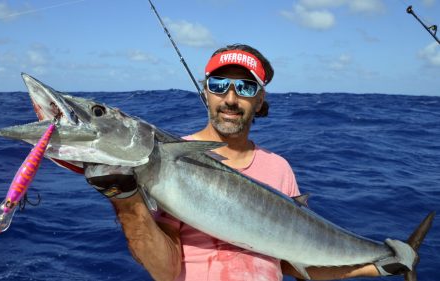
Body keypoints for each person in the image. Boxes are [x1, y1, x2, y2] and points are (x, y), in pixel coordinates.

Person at [86, 44, 417, 281]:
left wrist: (378, 265)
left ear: (260, 100)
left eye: (244, 87)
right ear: (206, 93)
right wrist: (127, 203)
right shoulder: (170, 156)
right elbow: (165, 271)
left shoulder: (279, 168)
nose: (230, 98)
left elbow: (293, 263)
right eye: (219, 85)